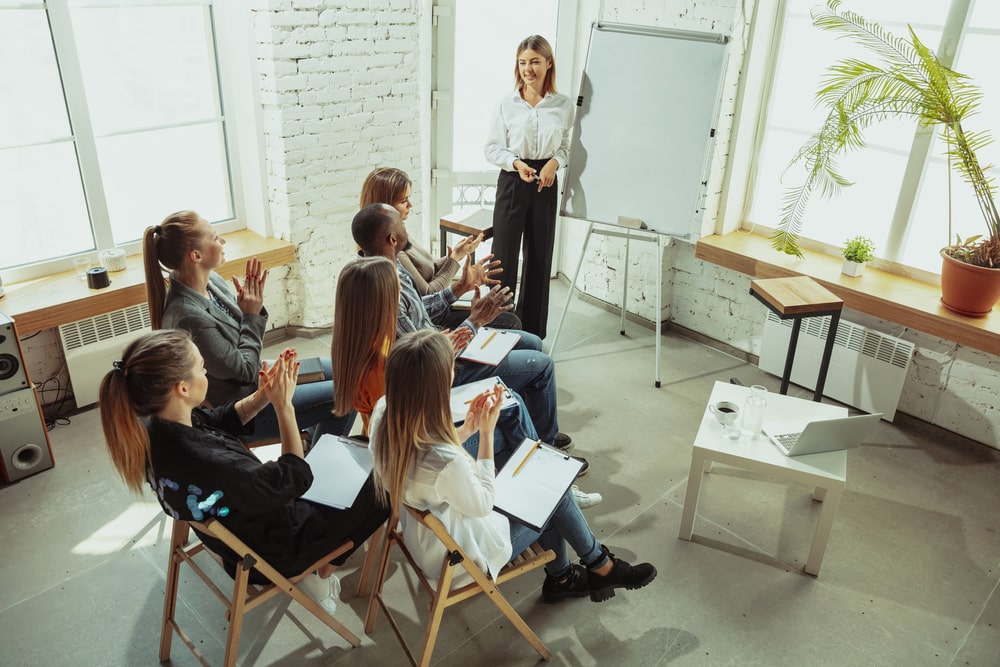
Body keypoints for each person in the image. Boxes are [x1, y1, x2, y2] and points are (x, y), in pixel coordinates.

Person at [98, 329, 388, 609]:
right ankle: (323, 569)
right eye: (201, 368)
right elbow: (295, 476)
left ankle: (323, 565)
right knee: (386, 481)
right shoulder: (212, 465)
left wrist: (263, 395)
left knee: (359, 447)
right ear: (182, 388)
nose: (206, 373)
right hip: (280, 547)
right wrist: (284, 406)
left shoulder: (157, 429)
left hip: (242, 533)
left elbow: (222, 419)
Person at [369, 330, 654, 602]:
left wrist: (468, 428)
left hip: (427, 543)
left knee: (523, 439)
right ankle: (598, 565)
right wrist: (484, 436)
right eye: (450, 369)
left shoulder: (383, 413)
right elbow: (483, 502)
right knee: (552, 487)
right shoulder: (446, 462)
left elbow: (429, 458)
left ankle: (567, 575)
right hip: (463, 559)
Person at [350, 204, 577, 459]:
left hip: (442, 344)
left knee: (533, 343)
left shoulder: (386, 265)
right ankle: (547, 452)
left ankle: (535, 432)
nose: (406, 226)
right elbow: (423, 357)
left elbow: (417, 311)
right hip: (439, 369)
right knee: (542, 365)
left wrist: (460, 288)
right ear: (392, 238)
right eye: (401, 225)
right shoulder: (380, 283)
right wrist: (474, 322)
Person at [143, 211, 354, 446]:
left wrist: (250, 310)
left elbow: (245, 347)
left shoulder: (210, 282)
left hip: (258, 376)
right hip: (247, 408)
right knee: (348, 394)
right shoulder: (187, 316)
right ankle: (314, 466)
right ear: (196, 255)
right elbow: (243, 369)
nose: (222, 241)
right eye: (214, 237)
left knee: (348, 374)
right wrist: (251, 316)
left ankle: (308, 440)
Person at [484, 35, 574, 339]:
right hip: (513, 179)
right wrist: (515, 163)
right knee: (502, 259)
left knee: (538, 258)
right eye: (523, 62)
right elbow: (492, 148)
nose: (528, 68)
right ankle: (497, 329)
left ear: (549, 63)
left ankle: (532, 334)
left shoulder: (563, 106)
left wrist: (554, 163)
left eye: (535, 61)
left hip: (545, 183)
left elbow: (566, 147)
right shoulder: (506, 104)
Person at [359, 166, 521, 331]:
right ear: (385, 207)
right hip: (436, 315)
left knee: (510, 316)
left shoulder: (397, 233)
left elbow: (428, 267)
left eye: (409, 198)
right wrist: (455, 262)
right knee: (512, 322)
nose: (410, 205)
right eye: (403, 201)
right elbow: (427, 294)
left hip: (436, 308)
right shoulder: (394, 250)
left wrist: (459, 253)